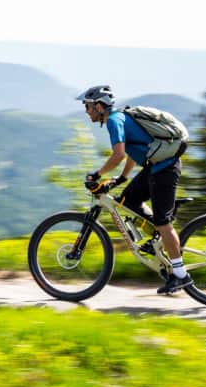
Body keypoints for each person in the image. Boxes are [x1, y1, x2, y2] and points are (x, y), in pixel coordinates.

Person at [76, 84, 193, 294]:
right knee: (128, 200)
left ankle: (181, 275)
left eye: (88, 106)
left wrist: (97, 174)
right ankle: (157, 237)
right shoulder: (119, 118)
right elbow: (132, 151)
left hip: (164, 168)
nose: (86, 111)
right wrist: (122, 177)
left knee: (163, 222)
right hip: (156, 167)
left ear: (100, 106)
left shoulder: (113, 121)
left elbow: (118, 154)